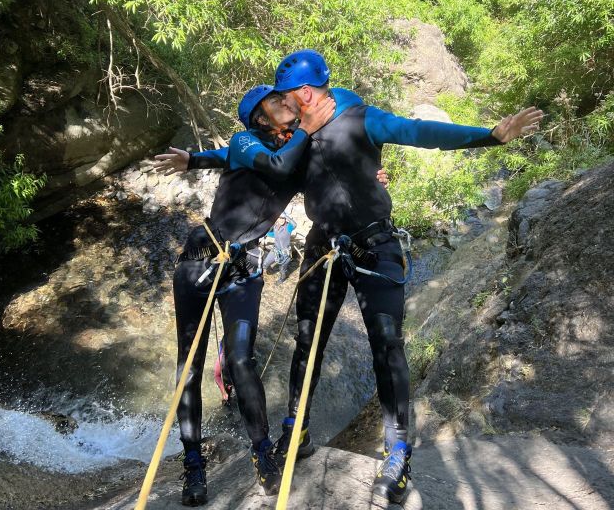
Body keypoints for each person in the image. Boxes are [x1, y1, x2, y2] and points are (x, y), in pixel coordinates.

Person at [271, 49, 543, 504]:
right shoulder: (295, 136)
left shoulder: (360, 118)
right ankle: (295, 431)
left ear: (303, 92)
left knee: (385, 343)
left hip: (373, 245)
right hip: (322, 248)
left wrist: (490, 137)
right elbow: (268, 176)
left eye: (285, 97)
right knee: (307, 341)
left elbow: (418, 131)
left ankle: (397, 451)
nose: (282, 105)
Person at [153, 85, 335, 505]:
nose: (287, 102)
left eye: (286, 98)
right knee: (190, 368)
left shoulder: (297, 150)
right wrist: (307, 126)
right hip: (203, 257)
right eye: (275, 102)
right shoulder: (244, 140)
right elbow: (265, 164)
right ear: (259, 118)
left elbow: (322, 177)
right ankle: (193, 465)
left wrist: (371, 179)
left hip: (243, 265)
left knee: (241, 360)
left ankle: (262, 455)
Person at [263, 213, 297, 283]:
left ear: (285, 219)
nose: (281, 220)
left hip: (285, 253)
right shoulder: (275, 227)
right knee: (265, 263)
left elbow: (294, 225)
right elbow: (270, 233)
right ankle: (270, 269)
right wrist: (271, 226)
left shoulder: (288, 227)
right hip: (275, 250)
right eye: (279, 218)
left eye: (283, 218)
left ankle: (282, 279)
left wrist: (286, 215)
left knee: (282, 269)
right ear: (277, 218)